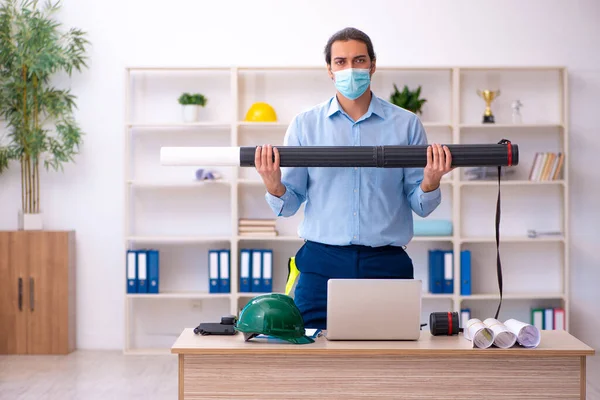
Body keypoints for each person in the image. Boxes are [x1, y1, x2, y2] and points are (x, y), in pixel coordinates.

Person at [254, 27, 452, 330]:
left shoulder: (406, 124)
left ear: (372, 65)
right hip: (321, 263)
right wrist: (272, 183)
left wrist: (431, 181)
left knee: (392, 354)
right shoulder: (305, 125)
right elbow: (288, 204)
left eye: (359, 61)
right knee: (310, 350)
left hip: (386, 264)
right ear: (330, 70)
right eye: (341, 62)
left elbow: (421, 205)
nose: (350, 69)